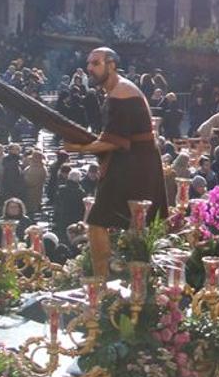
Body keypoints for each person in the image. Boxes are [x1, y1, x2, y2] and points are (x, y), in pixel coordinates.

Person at [62, 48, 166, 279]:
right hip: (131, 163)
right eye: (88, 63)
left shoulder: (122, 94)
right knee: (124, 224)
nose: (90, 68)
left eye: (96, 63)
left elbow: (113, 141)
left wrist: (80, 149)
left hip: (134, 165)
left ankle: (103, 280)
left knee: (100, 221)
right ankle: (119, 280)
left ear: (111, 65)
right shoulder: (117, 92)